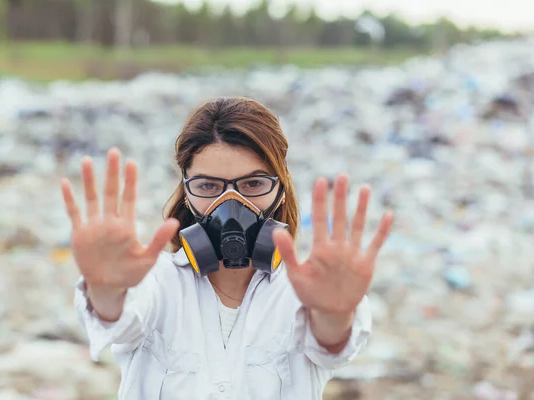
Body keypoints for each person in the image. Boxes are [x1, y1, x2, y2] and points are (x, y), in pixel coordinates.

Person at [61, 97, 394, 400]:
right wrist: (105, 289)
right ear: (186, 191)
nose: (230, 203)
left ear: (280, 188)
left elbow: (330, 347)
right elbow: (116, 319)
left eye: (253, 183)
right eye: (208, 185)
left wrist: (335, 313)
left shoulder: (308, 289)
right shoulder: (154, 281)